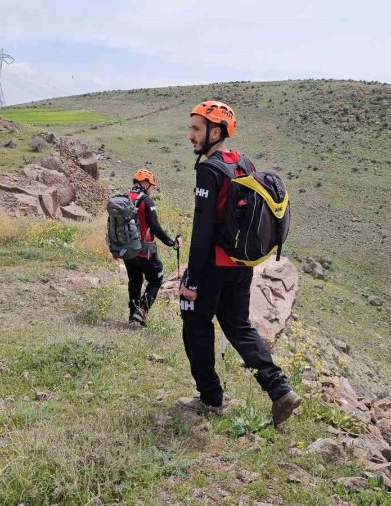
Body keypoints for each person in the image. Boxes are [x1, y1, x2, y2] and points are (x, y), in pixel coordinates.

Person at [178, 101, 301, 426]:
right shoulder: (243, 162)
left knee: (195, 325)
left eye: (196, 128)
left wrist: (191, 279)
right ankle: (280, 390)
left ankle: (210, 399)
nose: (190, 135)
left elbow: (202, 230)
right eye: (191, 127)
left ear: (215, 132)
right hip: (242, 265)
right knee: (238, 326)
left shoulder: (209, 170)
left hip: (214, 267)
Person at [125, 168, 180, 326]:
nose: (151, 190)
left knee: (134, 280)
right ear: (144, 183)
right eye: (151, 186)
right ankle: (142, 310)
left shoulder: (124, 198)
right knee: (156, 279)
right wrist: (171, 242)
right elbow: (155, 227)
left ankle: (132, 314)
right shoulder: (146, 201)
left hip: (127, 250)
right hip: (145, 251)